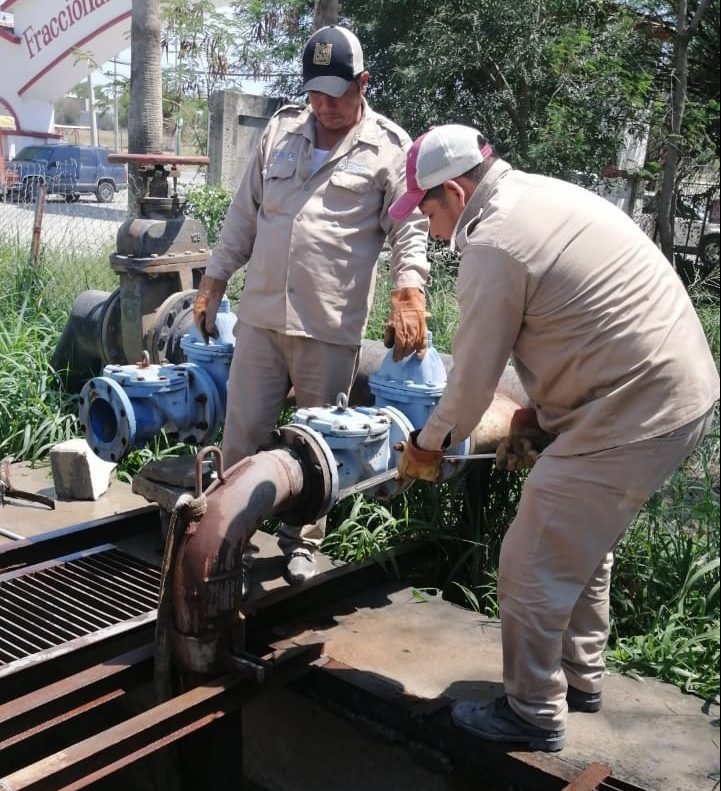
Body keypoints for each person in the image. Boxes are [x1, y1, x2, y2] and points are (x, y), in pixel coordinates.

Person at [389, 124, 719, 752]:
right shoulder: (536, 196)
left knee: (531, 556)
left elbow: (470, 384)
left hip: (635, 407)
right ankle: (579, 675)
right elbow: (573, 322)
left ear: (454, 193)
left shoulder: (494, 242)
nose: (430, 230)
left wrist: (426, 447)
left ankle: (533, 712)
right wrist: (538, 417)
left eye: (427, 213)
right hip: (675, 390)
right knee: (579, 539)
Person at [193, 25, 430, 589]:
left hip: (328, 326)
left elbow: (409, 229)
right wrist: (214, 280)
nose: (323, 106)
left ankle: (301, 541)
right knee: (241, 437)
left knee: (319, 445)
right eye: (315, 93)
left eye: (336, 94)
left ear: (363, 83)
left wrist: (409, 291)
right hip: (261, 319)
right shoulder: (281, 132)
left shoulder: (387, 148)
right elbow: (244, 215)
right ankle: (231, 544)